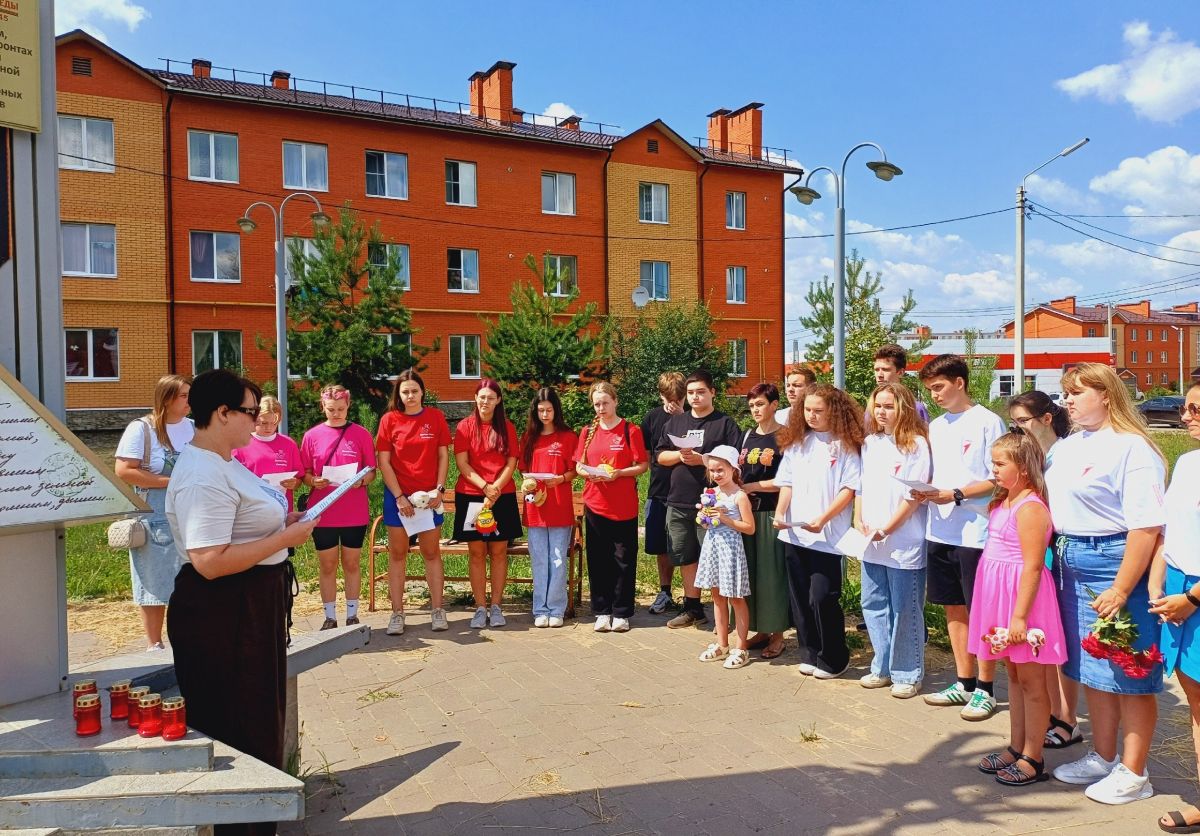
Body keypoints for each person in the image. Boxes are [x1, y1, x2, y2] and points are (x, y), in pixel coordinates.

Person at [166, 369, 318, 836]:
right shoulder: (200, 474)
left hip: (251, 606)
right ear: (222, 413)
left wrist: (283, 526)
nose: (258, 420)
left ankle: (257, 824)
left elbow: (243, 526)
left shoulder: (226, 462)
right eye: (250, 412)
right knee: (239, 731)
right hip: (223, 615)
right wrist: (288, 537)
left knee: (258, 726)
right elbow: (209, 560)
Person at [1045, 362, 1166, 805]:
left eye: (1078, 392)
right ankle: (1103, 754)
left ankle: (1135, 773)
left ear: (1108, 395)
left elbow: (1146, 527)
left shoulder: (1133, 448)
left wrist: (1120, 587)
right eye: (1065, 393)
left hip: (1114, 562)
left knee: (1128, 667)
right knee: (1091, 667)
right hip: (1070, 559)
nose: (1068, 401)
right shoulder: (1070, 445)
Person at [969, 433, 1067, 787]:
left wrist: (1020, 617)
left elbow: (1031, 566)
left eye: (999, 464)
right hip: (998, 596)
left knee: (1032, 680)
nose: (992, 469)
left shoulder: (1031, 508)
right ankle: (1016, 744)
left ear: (1023, 468)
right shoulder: (1003, 502)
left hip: (1021, 602)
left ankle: (1033, 755)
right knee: (1012, 675)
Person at [914, 354, 1006, 720]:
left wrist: (956, 494)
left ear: (960, 382)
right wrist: (922, 491)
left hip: (975, 530)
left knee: (980, 610)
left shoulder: (988, 422)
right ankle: (964, 681)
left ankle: (986, 689)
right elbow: (933, 472)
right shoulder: (936, 426)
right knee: (953, 605)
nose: (934, 395)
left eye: (938, 387)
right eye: (930, 389)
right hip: (940, 527)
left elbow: (998, 476)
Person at [773, 383, 863, 679]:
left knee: (822, 596)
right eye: (807, 410)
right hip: (794, 533)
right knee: (799, 598)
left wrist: (824, 519)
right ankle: (809, 653)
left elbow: (849, 490)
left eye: (818, 411)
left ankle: (835, 658)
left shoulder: (846, 445)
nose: (811, 415)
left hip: (828, 536)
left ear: (833, 411)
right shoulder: (797, 442)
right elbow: (786, 483)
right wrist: (779, 513)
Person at [1009, 391, 1080, 751]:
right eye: (1014, 423)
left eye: (1023, 421)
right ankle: (1052, 712)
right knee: (1044, 640)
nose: (1018, 428)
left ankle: (1069, 718)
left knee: (1059, 640)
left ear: (1047, 419)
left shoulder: (1064, 453)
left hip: (1060, 547)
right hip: (1039, 548)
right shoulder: (1030, 454)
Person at [856, 382, 931, 698]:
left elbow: (913, 496)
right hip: (870, 539)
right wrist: (859, 520)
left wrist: (888, 527)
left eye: (888, 405)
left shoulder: (916, 444)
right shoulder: (870, 442)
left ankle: (908, 672)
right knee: (873, 603)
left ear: (903, 407)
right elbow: (861, 487)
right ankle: (882, 667)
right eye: (878, 405)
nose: (882, 411)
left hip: (903, 539)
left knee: (904, 608)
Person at [1149, 382, 1200, 831]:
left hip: (1195, 595)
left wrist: (1191, 598)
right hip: (1179, 591)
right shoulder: (1186, 462)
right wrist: (1158, 586)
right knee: (1196, 703)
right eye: (1185, 407)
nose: (1186, 416)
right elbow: (1169, 533)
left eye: (1196, 408)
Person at [114, 374, 194, 651]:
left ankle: (185, 639)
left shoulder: (194, 428)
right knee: (154, 577)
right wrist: (171, 482)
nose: (189, 401)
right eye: (184, 395)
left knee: (188, 577)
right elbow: (124, 470)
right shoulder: (142, 429)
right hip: (155, 512)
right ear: (167, 398)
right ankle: (154, 645)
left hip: (190, 509)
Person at [658, 371, 742, 628]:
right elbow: (660, 456)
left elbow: (735, 461)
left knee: (717, 556)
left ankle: (724, 614)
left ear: (712, 392)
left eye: (701, 392)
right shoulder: (675, 422)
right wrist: (680, 457)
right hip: (679, 500)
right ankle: (693, 607)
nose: (695, 397)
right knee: (685, 555)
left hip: (715, 503)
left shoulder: (725, 424)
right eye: (691, 392)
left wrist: (702, 459)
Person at [375, 370, 451, 636]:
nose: (410, 396)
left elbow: (443, 456)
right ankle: (397, 613)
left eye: (414, 391)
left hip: (429, 499)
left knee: (431, 554)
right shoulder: (389, 420)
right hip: (398, 499)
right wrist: (399, 497)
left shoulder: (435, 417)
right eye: (405, 392)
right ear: (399, 395)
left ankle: (438, 610)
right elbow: (383, 461)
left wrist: (439, 490)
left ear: (422, 392)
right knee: (397, 555)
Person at [300, 385, 377, 631]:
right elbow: (305, 473)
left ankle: (353, 615)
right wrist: (314, 481)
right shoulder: (311, 436)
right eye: (331, 409)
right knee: (328, 565)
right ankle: (329, 616)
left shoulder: (361, 434)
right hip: (324, 511)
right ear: (323, 407)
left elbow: (372, 470)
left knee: (352, 563)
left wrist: (362, 480)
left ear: (348, 406)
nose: (336, 414)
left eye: (341, 409)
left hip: (353, 510)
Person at [575, 382, 648, 633]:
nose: (601, 408)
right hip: (595, 503)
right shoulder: (588, 431)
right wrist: (589, 473)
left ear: (616, 401)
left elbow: (642, 465)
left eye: (605, 402)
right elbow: (578, 466)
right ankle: (602, 611)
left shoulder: (630, 430)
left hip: (624, 505)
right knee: (598, 559)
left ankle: (622, 612)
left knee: (623, 559)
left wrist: (618, 474)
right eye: (596, 404)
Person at [454, 378, 521, 629]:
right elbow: (462, 463)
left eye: (490, 398)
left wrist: (495, 489)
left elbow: (511, 462)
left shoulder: (508, 428)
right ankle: (480, 608)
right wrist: (485, 487)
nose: (485, 402)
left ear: (498, 401)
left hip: (501, 495)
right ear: (475, 398)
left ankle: (497, 606)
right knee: (476, 553)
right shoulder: (464, 427)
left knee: (499, 552)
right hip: (472, 495)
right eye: (481, 397)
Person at [519, 388, 578, 628]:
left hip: (559, 507)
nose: (545, 414)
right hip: (535, 509)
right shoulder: (529, 438)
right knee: (539, 560)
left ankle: (556, 608)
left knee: (557, 560)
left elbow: (575, 470)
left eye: (549, 410)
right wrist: (527, 481)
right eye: (541, 410)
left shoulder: (568, 437)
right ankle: (539, 609)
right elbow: (522, 469)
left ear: (556, 410)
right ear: (535, 411)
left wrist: (561, 479)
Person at [738, 383, 789, 659]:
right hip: (747, 514)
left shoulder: (785, 437)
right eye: (752, 405)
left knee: (772, 576)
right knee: (752, 575)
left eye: (760, 404)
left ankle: (778, 634)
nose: (756, 409)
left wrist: (754, 486)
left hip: (771, 511)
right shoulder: (747, 436)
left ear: (774, 405)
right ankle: (761, 629)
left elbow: (788, 480)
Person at [694, 445, 755, 668]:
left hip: (730, 549)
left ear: (733, 469)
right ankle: (722, 644)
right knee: (717, 596)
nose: (716, 474)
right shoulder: (711, 494)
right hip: (712, 547)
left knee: (736, 598)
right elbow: (704, 522)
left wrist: (725, 518)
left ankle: (742, 648)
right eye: (712, 470)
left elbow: (749, 528)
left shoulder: (739, 496)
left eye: (720, 469)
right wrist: (703, 517)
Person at [642, 371, 686, 615]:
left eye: (679, 398)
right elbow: (648, 457)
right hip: (659, 491)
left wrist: (683, 418)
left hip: (688, 493)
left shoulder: (693, 417)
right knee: (662, 546)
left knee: (689, 547)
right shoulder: (651, 418)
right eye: (670, 398)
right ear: (661, 395)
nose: (674, 403)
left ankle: (693, 599)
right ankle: (665, 592)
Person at [233, 396, 303, 513]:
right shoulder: (240, 444)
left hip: (282, 512)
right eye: (264, 423)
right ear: (254, 418)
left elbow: (299, 479)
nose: (269, 427)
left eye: (274, 423)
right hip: (251, 511)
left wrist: (294, 483)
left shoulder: (289, 444)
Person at [873, 344, 930, 423]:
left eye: (885, 370)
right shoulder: (872, 408)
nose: (879, 375)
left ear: (900, 372)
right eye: (876, 370)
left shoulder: (914, 408)